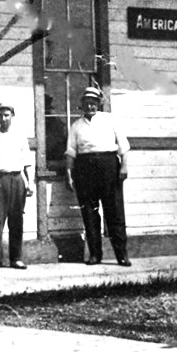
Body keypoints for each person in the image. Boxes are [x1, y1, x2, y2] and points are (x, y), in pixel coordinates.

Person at [65, 86, 131, 266]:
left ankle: (121, 255)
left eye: (93, 103)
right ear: (82, 105)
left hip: (109, 165)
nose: (90, 106)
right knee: (89, 212)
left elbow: (123, 146)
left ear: (99, 103)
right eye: (86, 103)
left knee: (115, 211)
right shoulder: (76, 126)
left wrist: (124, 166)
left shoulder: (109, 119)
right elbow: (71, 152)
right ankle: (95, 254)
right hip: (85, 168)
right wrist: (69, 174)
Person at [0, 102, 34, 269]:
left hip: (17, 180)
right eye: (0, 115)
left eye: (7, 115)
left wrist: (30, 183)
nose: (4, 118)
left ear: (12, 116)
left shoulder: (20, 137)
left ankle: (16, 258)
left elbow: (27, 163)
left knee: (17, 220)